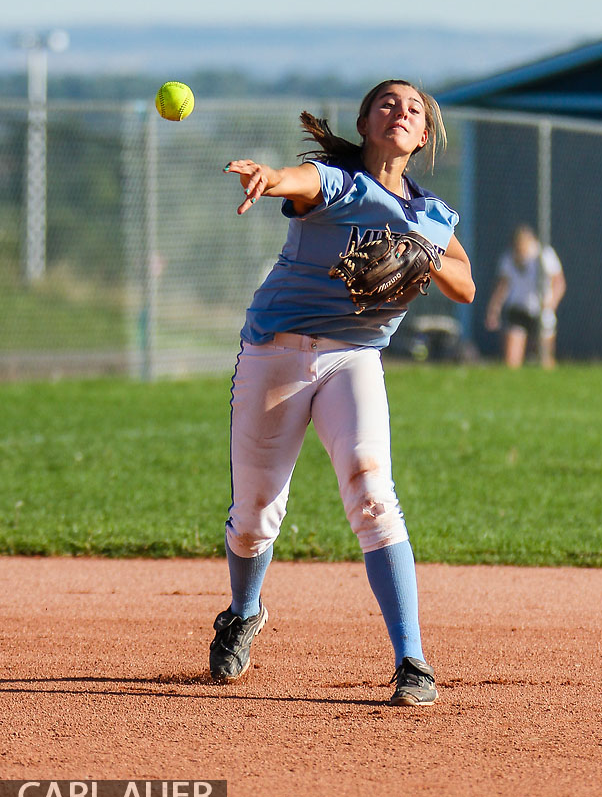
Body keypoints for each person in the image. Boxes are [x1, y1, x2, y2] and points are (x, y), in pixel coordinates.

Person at [208, 80, 475, 706]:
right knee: (255, 513)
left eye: (414, 109)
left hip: (355, 358)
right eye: (387, 103)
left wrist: (426, 252)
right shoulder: (342, 183)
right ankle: (243, 612)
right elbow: (299, 181)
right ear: (364, 121)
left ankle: (412, 661)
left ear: (425, 136)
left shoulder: (432, 215)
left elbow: (463, 282)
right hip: (276, 349)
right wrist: (268, 177)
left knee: (371, 490)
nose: (400, 112)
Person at [485, 225, 566, 369]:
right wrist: (494, 310)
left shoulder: (544, 256)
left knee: (545, 358)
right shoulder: (508, 258)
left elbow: (559, 283)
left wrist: (551, 304)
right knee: (512, 361)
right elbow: (502, 286)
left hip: (541, 310)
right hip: (518, 309)